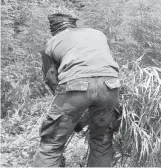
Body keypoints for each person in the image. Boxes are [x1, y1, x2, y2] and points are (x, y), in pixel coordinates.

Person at [33, 13, 121, 167]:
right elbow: (104, 63)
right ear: (74, 25)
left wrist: (70, 115)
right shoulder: (97, 34)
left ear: (54, 29)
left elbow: (52, 79)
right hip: (111, 85)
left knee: (51, 145)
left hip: (75, 87)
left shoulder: (52, 42)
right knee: (102, 142)